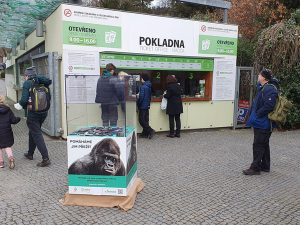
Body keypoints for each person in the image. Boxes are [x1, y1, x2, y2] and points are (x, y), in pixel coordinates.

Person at [14, 66, 52, 167]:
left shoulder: (28, 83)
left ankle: (45, 158)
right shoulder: (43, 82)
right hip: (43, 113)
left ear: (27, 76)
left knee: (37, 134)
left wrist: (19, 105)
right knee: (33, 132)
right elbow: (49, 97)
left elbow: (24, 99)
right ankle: (30, 153)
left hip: (32, 114)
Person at [243, 69, 279, 175]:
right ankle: (265, 166)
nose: (258, 76)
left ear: (264, 77)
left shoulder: (269, 89)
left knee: (258, 144)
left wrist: (258, 114)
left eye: (259, 75)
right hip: (261, 121)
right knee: (264, 143)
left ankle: (255, 168)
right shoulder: (263, 88)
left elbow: (269, 106)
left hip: (264, 122)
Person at [0, 94, 20, 169]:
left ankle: (1, 163)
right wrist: (19, 118)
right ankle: (10, 157)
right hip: (7, 132)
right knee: (7, 146)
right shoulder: (8, 109)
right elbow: (13, 120)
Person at [138, 74, 155, 139]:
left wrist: (139, 104)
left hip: (143, 106)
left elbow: (141, 97)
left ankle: (150, 130)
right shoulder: (149, 86)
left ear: (144, 79)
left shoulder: (143, 87)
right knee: (145, 119)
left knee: (141, 119)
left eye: (141, 79)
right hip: (147, 105)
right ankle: (145, 133)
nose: (141, 80)